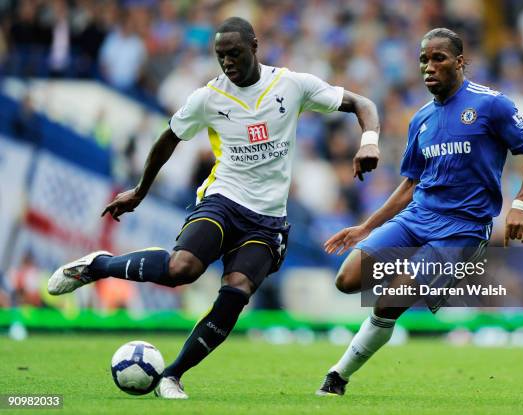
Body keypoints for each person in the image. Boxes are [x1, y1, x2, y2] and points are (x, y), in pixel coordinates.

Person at [47, 17, 381, 399]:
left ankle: (172, 375)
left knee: (236, 293)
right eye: (221, 56)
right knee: (181, 269)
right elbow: (168, 139)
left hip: (269, 220)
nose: (228, 63)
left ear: (254, 47)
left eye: (235, 53)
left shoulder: (291, 84)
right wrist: (140, 190)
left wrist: (368, 140)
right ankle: (96, 265)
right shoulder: (209, 97)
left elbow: (361, 103)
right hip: (224, 200)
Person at [316, 28, 523, 396]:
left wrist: (520, 205)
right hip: (417, 219)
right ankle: (422, 278)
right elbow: (410, 185)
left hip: (462, 229)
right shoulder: (421, 119)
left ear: (460, 62)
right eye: (424, 60)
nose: (429, 67)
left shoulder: (492, 105)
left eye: (438, 58)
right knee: (347, 280)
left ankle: (338, 376)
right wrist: (366, 227)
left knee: (393, 297)